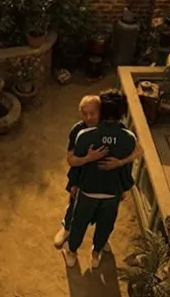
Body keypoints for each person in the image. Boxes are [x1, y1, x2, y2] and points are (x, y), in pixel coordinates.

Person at [53, 94, 142, 250]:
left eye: (92, 113)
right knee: (75, 206)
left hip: (109, 184)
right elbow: (71, 160)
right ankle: (67, 227)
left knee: (104, 215)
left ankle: (101, 239)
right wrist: (88, 158)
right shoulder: (78, 130)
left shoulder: (116, 129)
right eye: (84, 113)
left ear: (102, 111)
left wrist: (120, 163)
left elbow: (139, 149)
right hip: (82, 179)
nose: (88, 117)